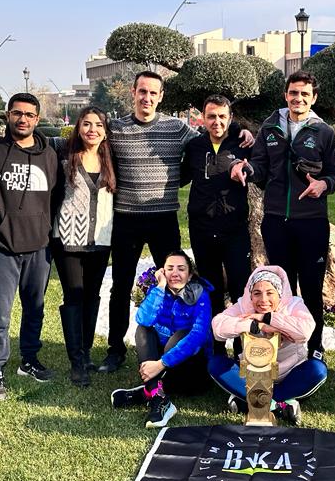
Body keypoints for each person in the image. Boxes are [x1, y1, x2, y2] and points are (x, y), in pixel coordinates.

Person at [104, 71, 254, 374]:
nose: (147, 98)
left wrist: (241, 129)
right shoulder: (116, 129)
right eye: (142, 91)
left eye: (153, 93)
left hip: (164, 219)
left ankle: (182, 345)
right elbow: (88, 136)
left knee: (180, 284)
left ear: (161, 96)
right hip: (127, 220)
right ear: (133, 92)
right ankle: (115, 350)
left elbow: (216, 128)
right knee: (120, 286)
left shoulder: (176, 128)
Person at [230, 71, 335, 358]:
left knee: (312, 287)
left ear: (313, 98)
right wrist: (248, 169)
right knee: (280, 289)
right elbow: (259, 167)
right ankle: (286, 348)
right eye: (294, 93)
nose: (298, 98)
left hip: (312, 222)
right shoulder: (269, 128)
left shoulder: (324, 132)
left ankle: (315, 346)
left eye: (305, 94)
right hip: (276, 221)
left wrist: (324, 184)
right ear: (286, 95)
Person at [0, 93, 60, 401]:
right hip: (1, 245)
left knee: (35, 309)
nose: (23, 119)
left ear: (37, 119)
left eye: (29, 115)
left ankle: (29, 360)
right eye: (17, 113)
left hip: (39, 247)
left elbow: (57, 196)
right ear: (7, 115)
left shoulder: (48, 156)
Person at [208, 265, 328, 425]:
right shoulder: (243, 306)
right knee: (216, 364)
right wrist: (255, 325)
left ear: (280, 294)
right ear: (250, 295)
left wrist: (267, 318)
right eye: (257, 293)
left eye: (270, 293)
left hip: (288, 374)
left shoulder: (293, 305)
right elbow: (218, 327)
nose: (263, 300)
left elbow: (305, 331)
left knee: (317, 369)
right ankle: (279, 404)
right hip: (252, 375)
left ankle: (250, 401)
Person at [51, 106, 116, 387]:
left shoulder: (111, 159)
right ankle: (76, 361)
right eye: (87, 124)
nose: (93, 130)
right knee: (74, 297)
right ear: (78, 127)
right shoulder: (63, 154)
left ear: (105, 132)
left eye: (99, 125)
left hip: (100, 241)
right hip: (68, 240)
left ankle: (86, 351)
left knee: (91, 296)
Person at [110, 251, 213, 428]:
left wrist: (160, 364)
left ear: (190, 275)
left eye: (181, 269)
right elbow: (143, 320)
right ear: (163, 272)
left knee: (182, 335)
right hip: (165, 369)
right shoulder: (158, 290)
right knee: (144, 330)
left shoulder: (201, 295)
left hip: (193, 373)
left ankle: (148, 391)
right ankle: (158, 397)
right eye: (170, 268)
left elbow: (197, 336)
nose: (175, 273)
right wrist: (160, 286)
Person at [180, 95, 252, 324]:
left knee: (240, 287)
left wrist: (243, 131)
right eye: (211, 116)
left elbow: (260, 171)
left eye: (222, 116)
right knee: (211, 289)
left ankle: (241, 342)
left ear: (230, 118)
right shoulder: (194, 147)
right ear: (203, 117)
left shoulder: (243, 144)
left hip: (235, 229)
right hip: (202, 229)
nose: (217, 122)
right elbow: (181, 177)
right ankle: (215, 342)